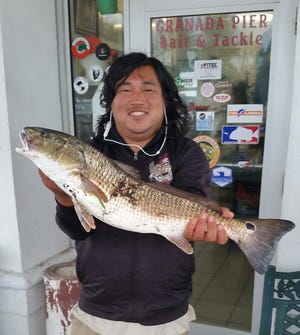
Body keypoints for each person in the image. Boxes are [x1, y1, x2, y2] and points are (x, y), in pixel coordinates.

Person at [39, 52, 233, 335]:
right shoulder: (90, 155)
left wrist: (205, 227)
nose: (136, 98)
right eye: (125, 89)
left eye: (148, 89)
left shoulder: (186, 152)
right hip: (97, 314)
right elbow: (77, 231)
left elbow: (192, 210)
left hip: (166, 317)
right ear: (111, 102)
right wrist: (64, 196)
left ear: (166, 100)